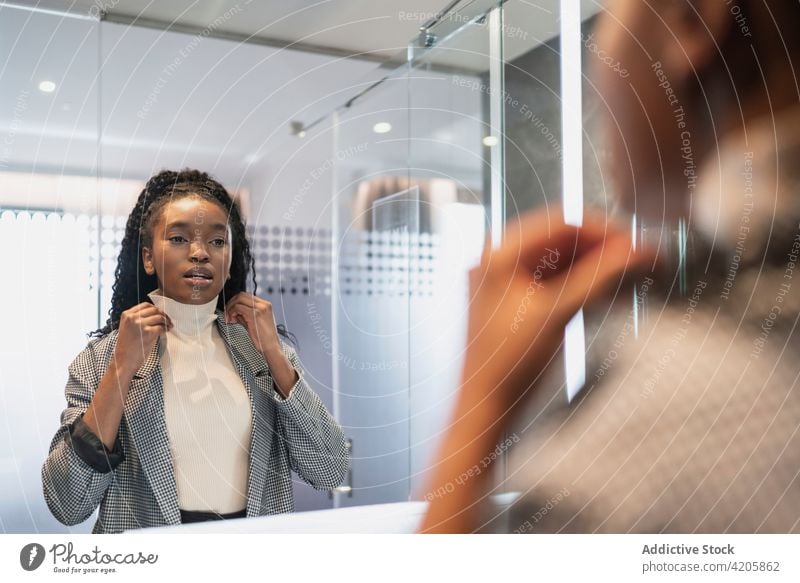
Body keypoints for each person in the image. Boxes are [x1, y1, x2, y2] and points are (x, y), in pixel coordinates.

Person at [420, 0, 800, 533]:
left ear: (694, 21)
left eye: (606, 16)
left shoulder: (645, 446)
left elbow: (324, 459)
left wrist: (479, 406)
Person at [42, 169, 349, 533]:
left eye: (218, 242)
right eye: (178, 238)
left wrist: (274, 354)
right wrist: (121, 369)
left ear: (231, 258)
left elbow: (329, 469)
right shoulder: (101, 359)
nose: (200, 253)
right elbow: (67, 502)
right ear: (148, 258)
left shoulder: (261, 353)